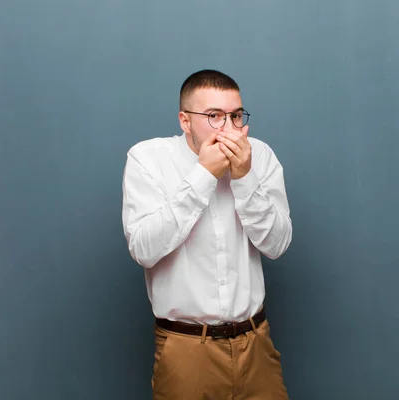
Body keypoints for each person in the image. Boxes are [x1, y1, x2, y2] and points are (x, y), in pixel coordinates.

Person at [121, 69, 293, 399]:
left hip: (255, 343)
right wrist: (204, 175)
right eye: (214, 116)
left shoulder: (260, 155)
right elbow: (143, 248)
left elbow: (278, 244)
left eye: (236, 115)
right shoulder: (148, 159)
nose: (229, 128)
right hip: (186, 348)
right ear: (185, 121)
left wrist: (244, 179)